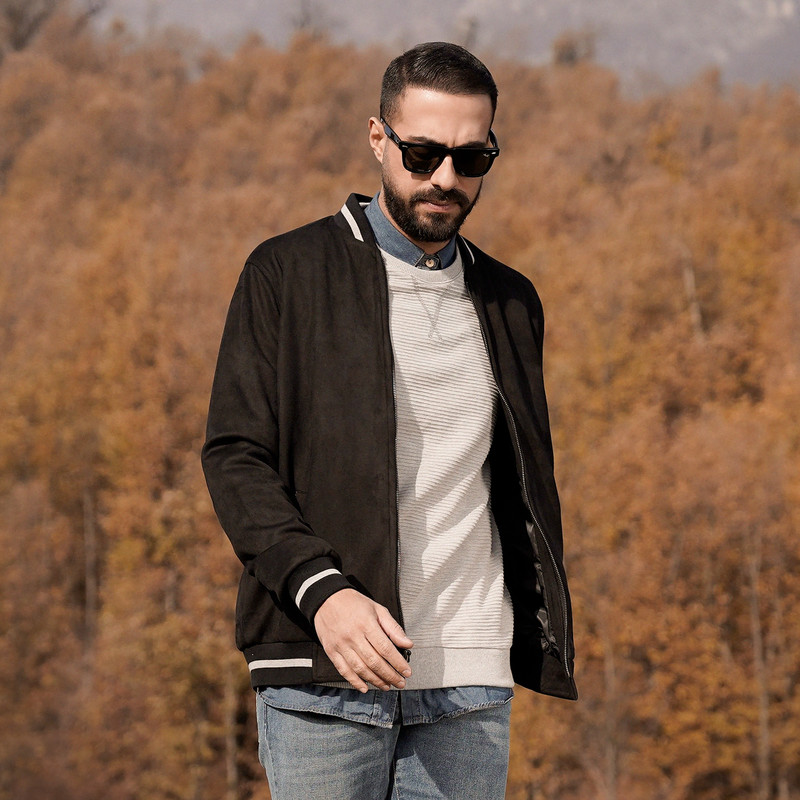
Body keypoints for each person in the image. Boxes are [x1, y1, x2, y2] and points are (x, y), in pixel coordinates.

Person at [202, 41, 577, 800]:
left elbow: (518, 485)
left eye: (472, 158)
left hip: (470, 677)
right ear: (378, 138)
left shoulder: (511, 300)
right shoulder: (287, 273)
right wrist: (322, 592)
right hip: (325, 674)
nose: (446, 178)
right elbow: (236, 455)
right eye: (422, 153)